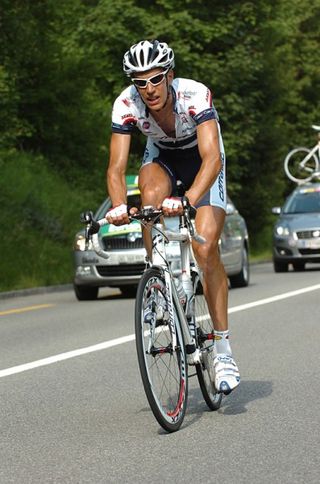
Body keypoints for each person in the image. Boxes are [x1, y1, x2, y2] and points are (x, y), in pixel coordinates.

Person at [105, 39, 240, 394]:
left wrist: (189, 200)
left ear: (170, 76)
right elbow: (116, 168)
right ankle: (158, 278)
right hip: (163, 157)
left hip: (203, 162)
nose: (148, 89)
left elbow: (212, 158)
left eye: (155, 79)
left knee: (206, 247)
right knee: (148, 193)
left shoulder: (194, 95)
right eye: (140, 82)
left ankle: (223, 349)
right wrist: (119, 205)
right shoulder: (125, 104)